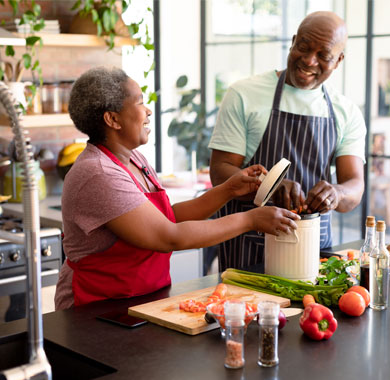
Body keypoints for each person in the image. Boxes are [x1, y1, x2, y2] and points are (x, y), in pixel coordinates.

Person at [54, 66, 300, 310]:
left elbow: (167, 218)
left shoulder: (134, 159)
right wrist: (251, 220)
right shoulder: (99, 173)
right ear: (112, 119)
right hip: (96, 308)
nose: (148, 111)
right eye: (140, 103)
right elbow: (168, 236)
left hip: (142, 299)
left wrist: (228, 190)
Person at [209, 11, 366, 271]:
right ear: (293, 42)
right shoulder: (244, 94)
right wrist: (269, 185)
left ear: (338, 60)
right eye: (303, 47)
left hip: (315, 249)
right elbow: (220, 171)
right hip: (248, 250)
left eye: (323, 56)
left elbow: (355, 187)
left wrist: (336, 193)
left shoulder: (345, 111)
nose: (309, 60)